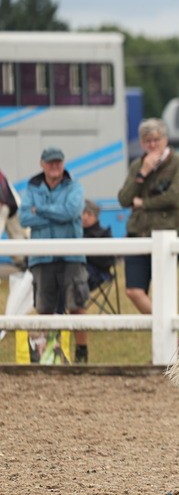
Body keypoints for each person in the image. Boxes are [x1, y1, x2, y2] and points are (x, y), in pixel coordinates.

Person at [18, 146, 89, 361]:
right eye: (50, 162)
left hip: (71, 255)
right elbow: (23, 218)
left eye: (58, 161)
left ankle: (81, 354)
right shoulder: (32, 188)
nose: (55, 166)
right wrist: (57, 213)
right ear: (42, 164)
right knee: (44, 308)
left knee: (77, 305)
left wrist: (39, 210)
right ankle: (49, 354)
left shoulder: (74, 186)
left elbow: (72, 211)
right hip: (41, 256)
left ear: (64, 163)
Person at [118, 118, 179, 314]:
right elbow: (124, 199)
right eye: (147, 141)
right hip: (137, 234)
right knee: (133, 291)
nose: (152, 145)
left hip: (167, 234)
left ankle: (170, 341)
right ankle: (176, 341)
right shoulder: (137, 165)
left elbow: (175, 197)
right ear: (141, 143)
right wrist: (143, 173)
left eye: (156, 140)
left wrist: (143, 203)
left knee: (163, 293)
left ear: (165, 139)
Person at [81, 200, 116, 290]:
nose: (85, 217)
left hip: (97, 272)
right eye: (82, 213)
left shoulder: (103, 234)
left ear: (96, 216)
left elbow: (107, 261)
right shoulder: (73, 234)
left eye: (89, 214)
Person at [0, 166, 29, 270]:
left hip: (11, 209)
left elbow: (3, 201)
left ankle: (24, 265)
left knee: (20, 238)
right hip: (8, 206)